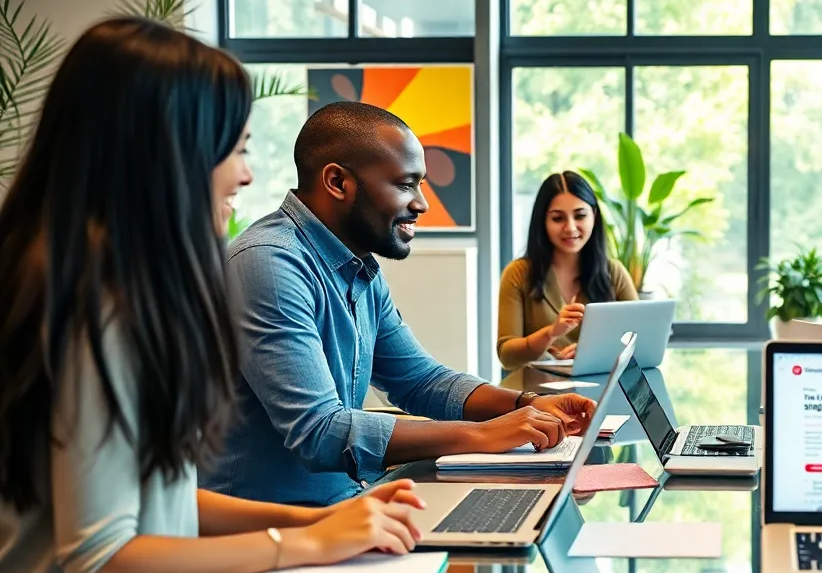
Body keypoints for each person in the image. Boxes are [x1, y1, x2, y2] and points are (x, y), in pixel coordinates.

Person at [0, 19, 425, 573]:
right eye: (236, 147)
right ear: (165, 151)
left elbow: (158, 502)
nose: (247, 172)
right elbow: (104, 568)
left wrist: (315, 522)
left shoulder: (115, 287)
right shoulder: (92, 305)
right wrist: (303, 545)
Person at [203, 102, 596, 507]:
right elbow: (318, 432)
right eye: (406, 184)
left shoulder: (358, 266)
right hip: (269, 532)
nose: (422, 203)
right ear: (338, 182)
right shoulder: (268, 262)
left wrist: (525, 405)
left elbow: (421, 381)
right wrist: (486, 434)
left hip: (345, 510)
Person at [497, 171, 638, 369]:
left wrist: (593, 352)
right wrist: (551, 332)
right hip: (537, 394)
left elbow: (640, 341)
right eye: (557, 218)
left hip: (602, 389)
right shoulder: (518, 273)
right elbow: (507, 356)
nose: (570, 228)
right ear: (543, 222)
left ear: (594, 216)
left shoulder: (614, 272)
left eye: (580, 216)